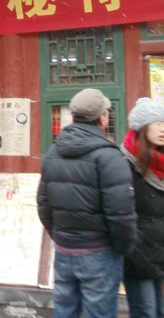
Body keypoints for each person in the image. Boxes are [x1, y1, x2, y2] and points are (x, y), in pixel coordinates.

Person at [37, 88, 137, 318]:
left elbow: (43, 204)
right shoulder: (110, 156)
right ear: (103, 118)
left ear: (73, 118)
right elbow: (120, 213)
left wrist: (62, 236)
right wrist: (122, 247)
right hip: (100, 252)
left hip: (64, 251)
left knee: (65, 311)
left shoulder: (53, 152)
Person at [120, 97, 164, 318]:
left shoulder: (161, 162)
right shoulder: (124, 162)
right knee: (145, 311)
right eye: (157, 123)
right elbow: (118, 209)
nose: (162, 129)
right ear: (142, 127)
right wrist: (131, 244)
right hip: (137, 254)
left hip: (160, 250)